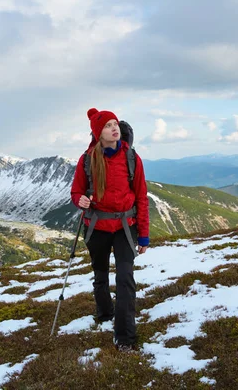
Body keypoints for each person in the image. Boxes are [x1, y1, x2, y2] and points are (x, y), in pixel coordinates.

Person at [70, 107, 150, 351]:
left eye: (115, 124)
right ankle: (105, 314)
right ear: (98, 133)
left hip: (125, 227)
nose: (115, 128)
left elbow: (141, 198)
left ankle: (125, 337)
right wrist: (79, 200)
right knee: (101, 274)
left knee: (125, 278)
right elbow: (76, 191)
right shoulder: (87, 160)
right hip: (97, 226)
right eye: (108, 125)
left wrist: (144, 235)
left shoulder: (132, 158)